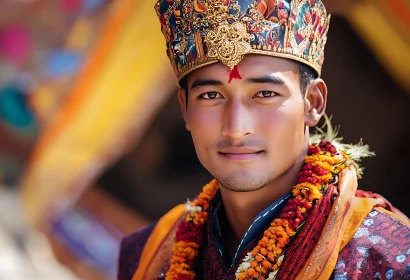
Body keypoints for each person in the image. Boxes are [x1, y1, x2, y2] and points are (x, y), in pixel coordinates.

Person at [118, 0, 410, 279]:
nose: (235, 128)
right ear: (185, 109)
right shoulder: (146, 253)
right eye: (211, 96)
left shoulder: (385, 255)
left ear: (313, 103)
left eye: (265, 94)